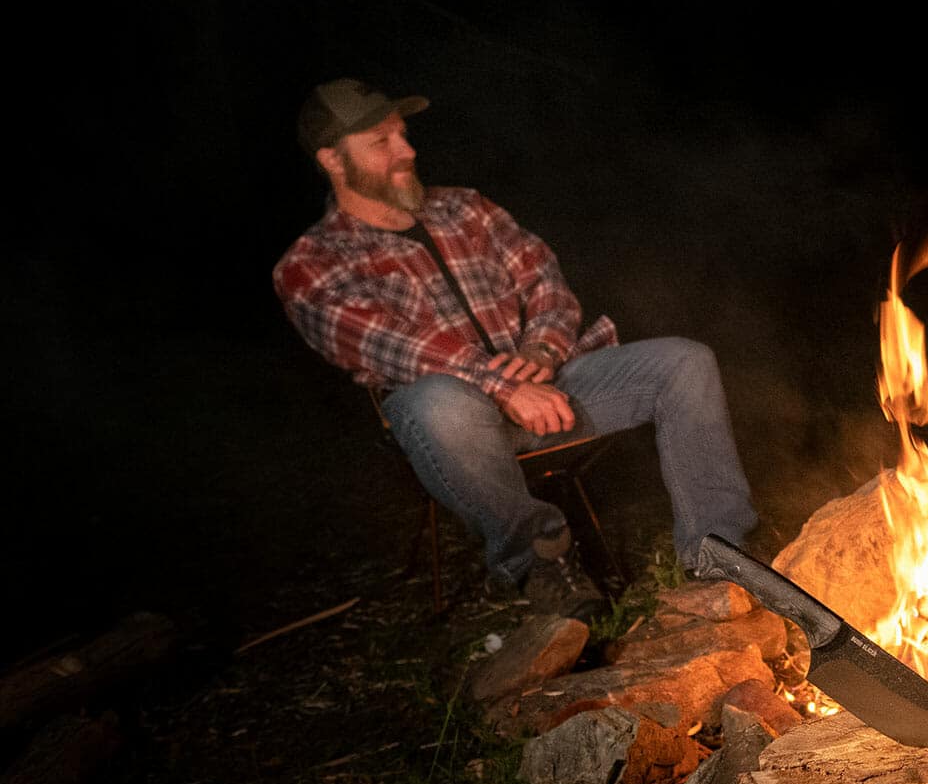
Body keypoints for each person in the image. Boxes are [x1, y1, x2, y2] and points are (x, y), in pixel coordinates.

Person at [273, 78, 758, 606]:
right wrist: (500, 385)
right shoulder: (310, 264)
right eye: (380, 143)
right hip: (459, 427)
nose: (407, 151)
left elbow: (544, 281)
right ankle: (544, 564)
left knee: (684, 361)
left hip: (549, 386)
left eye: (403, 135)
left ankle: (719, 553)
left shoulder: (466, 208)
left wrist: (541, 352)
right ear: (332, 160)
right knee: (433, 402)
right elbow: (393, 345)